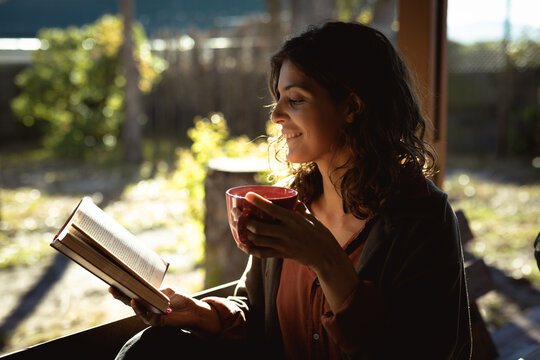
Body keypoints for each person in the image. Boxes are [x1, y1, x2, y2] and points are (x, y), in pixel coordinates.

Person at [111, 21, 472, 359]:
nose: (276, 116)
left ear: (351, 106)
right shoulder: (289, 206)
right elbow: (259, 317)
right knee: (151, 347)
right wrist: (201, 314)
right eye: (278, 97)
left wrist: (326, 260)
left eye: (295, 99)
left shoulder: (421, 217)